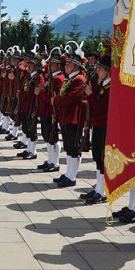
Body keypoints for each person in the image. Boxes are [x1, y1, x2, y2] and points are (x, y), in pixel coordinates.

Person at [52, 48, 87, 187]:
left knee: (74, 148)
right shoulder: (70, 79)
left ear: (76, 67)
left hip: (75, 118)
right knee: (69, 147)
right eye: (66, 65)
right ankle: (68, 174)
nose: (66, 67)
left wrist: (55, 100)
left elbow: (69, 98)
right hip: (67, 117)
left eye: (69, 65)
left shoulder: (79, 80)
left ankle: (72, 177)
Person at [81, 54, 111, 204]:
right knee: (98, 159)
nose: (97, 70)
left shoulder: (110, 87)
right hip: (98, 125)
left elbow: (100, 108)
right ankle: (98, 189)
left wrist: (90, 94)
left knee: (102, 159)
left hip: (105, 126)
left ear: (108, 71)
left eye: (101, 69)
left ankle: (103, 192)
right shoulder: (102, 84)